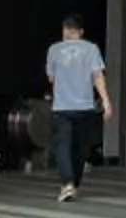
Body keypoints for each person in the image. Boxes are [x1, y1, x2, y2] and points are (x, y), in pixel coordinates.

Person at [45, 14, 111, 202]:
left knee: (63, 146)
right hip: (85, 106)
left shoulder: (53, 49)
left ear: (64, 30)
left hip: (62, 107)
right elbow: (97, 76)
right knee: (81, 148)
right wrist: (106, 101)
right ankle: (75, 183)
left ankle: (67, 184)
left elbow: (51, 78)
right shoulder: (91, 49)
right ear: (81, 32)